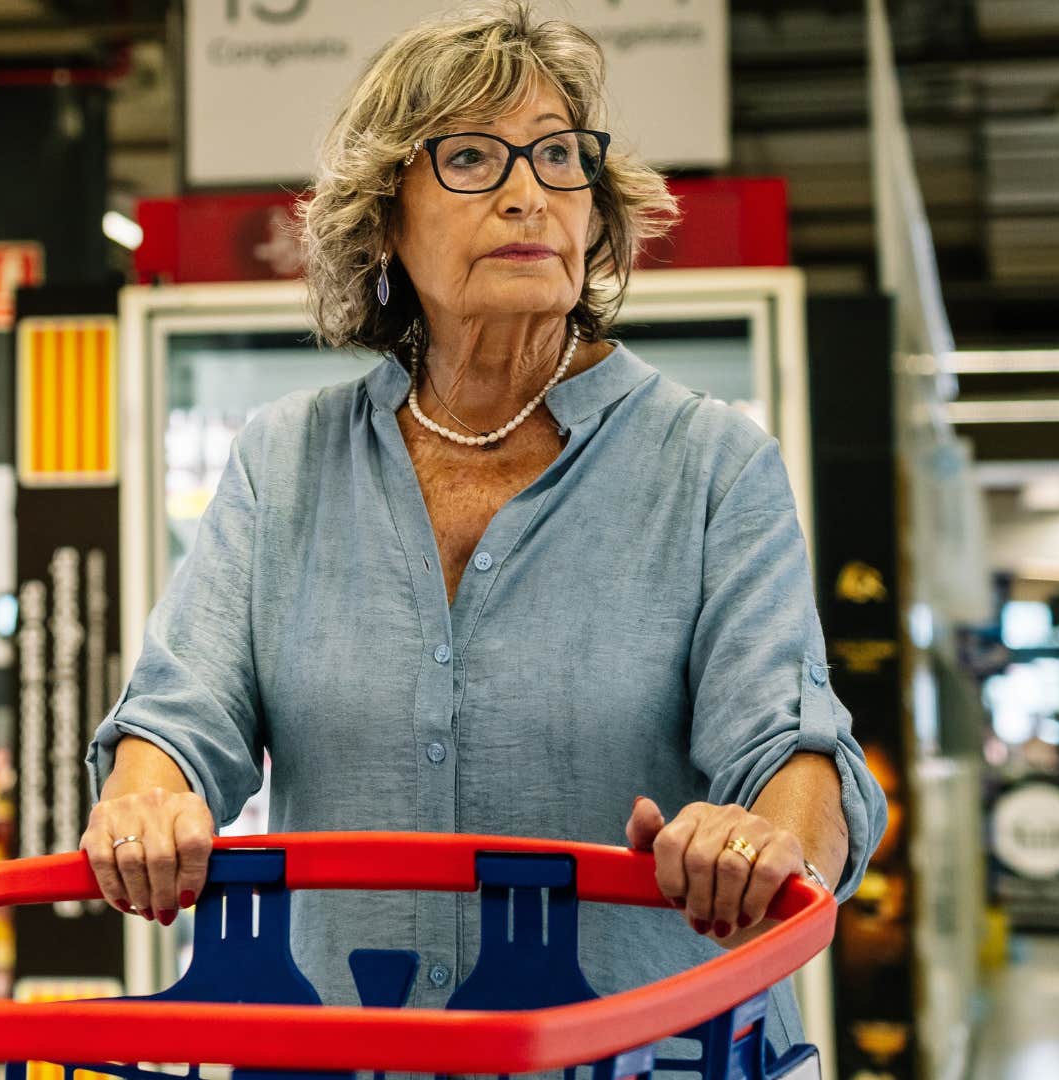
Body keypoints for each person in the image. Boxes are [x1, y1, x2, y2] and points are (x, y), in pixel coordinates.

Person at [82, 0, 887, 1056]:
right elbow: (182, 714)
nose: (528, 194)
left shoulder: (709, 465)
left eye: (560, 159)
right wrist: (147, 799)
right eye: (472, 158)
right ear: (383, 219)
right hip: (354, 1058)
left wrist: (765, 838)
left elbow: (791, 742)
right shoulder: (285, 462)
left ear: (597, 214)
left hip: (645, 1061)